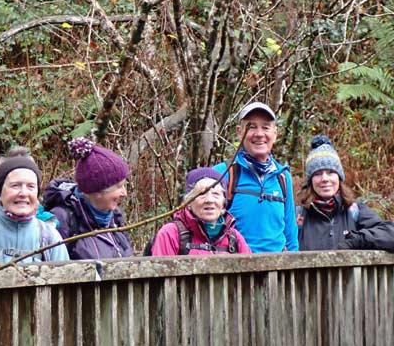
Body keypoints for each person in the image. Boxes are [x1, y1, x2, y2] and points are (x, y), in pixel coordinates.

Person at [214, 101, 298, 252]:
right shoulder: (222, 174)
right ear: (239, 132)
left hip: (278, 269)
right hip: (236, 269)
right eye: (251, 127)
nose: (259, 134)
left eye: (265, 127)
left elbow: (291, 234)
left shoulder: (283, 177)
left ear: (275, 133)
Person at [297, 135, 394, 251]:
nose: (324, 179)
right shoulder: (298, 216)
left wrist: (355, 240)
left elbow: (390, 233)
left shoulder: (354, 211)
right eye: (317, 174)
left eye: (330, 172)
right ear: (310, 181)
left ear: (339, 177)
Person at [43, 137, 134, 259]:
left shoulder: (115, 218)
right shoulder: (63, 220)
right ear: (96, 191)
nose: (124, 193)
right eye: (118, 187)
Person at [150, 167, 251, 256]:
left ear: (223, 203)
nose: (209, 200)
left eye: (216, 194)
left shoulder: (234, 237)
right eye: (202, 194)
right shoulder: (171, 234)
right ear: (188, 202)